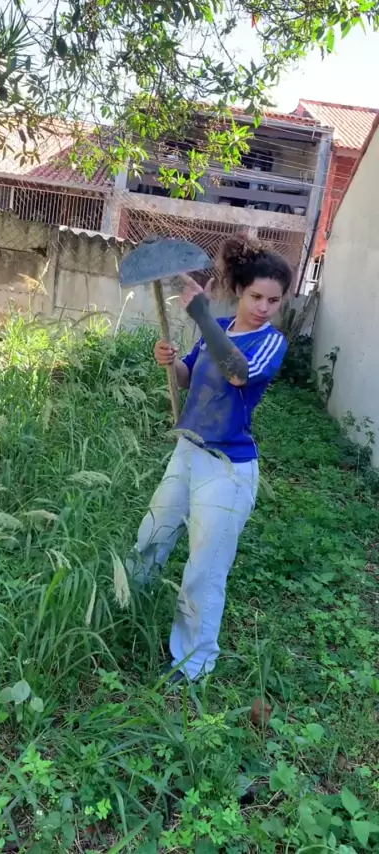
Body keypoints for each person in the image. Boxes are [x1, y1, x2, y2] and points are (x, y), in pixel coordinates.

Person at [127, 236, 292, 682]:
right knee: (152, 535)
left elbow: (237, 373)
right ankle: (127, 612)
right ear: (239, 290)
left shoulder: (271, 342)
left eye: (273, 300)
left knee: (205, 566)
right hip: (188, 451)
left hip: (227, 469)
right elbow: (188, 378)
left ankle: (193, 662)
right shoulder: (218, 327)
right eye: (256, 296)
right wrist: (170, 361)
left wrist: (200, 315)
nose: (263, 307)